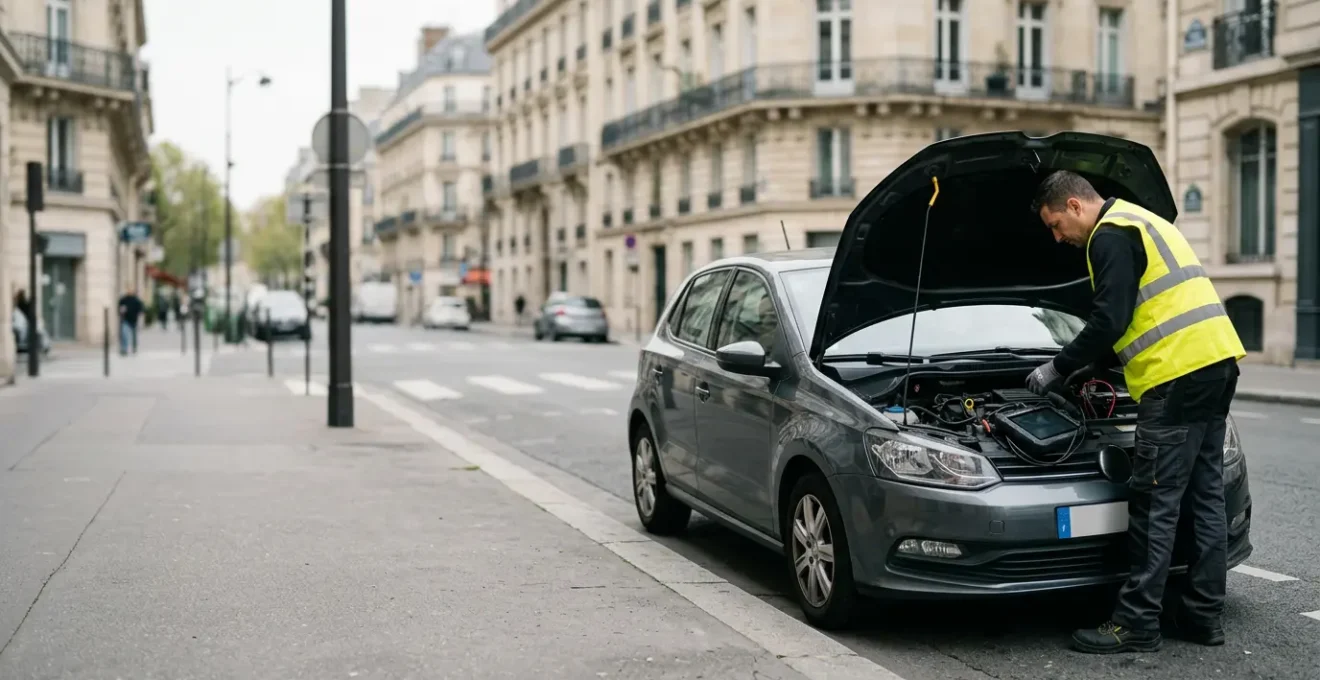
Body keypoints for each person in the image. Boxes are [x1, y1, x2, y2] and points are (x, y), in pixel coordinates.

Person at [1025, 170, 1245, 654]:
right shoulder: (1143, 221)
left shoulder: (1109, 236)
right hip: (1216, 364)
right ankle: (1203, 615)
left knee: (1155, 503)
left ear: (1075, 206)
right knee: (1205, 498)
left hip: (1175, 376)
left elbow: (1110, 318)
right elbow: (1142, 313)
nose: (1057, 238)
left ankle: (1137, 622)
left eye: (1056, 225)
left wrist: (1057, 368)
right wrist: (1091, 368)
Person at [118, 289, 145, 356]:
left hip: (134, 320)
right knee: (124, 335)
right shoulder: (123, 300)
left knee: (134, 336)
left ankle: (134, 347)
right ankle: (124, 349)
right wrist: (121, 313)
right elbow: (120, 308)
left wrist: (139, 313)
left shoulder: (136, 300)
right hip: (125, 320)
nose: (129, 291)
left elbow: (141, 309)